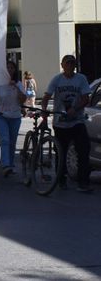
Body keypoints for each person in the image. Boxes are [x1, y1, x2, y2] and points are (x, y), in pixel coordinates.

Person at [42, 54, 93, 192]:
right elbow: (46, 97)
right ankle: (61, 179)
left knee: (83, 149)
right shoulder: (57, 79)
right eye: (67, 63)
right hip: (61, 122)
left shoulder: (81, 79)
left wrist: (75, 109)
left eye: (72, 63)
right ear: (62, 65)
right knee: (61, 151)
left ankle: (83, 181)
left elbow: (86, 98)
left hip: (77, 120)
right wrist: (44, 111)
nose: (70, 66)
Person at [0, 61, 26, 177]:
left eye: (12, 68)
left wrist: (16, 87)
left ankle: (11, 165)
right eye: (7, 68)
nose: (10, 70)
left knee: (12, 141)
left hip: (15, 116)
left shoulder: (19, 84)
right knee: (5, 140)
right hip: (0, 115)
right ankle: (5, 165)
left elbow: (23, 99)